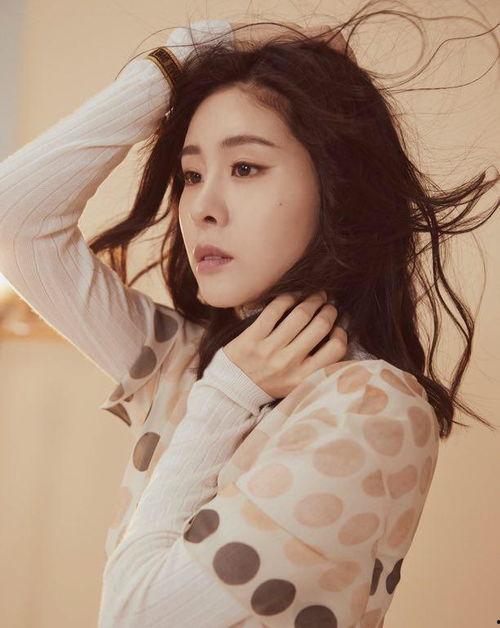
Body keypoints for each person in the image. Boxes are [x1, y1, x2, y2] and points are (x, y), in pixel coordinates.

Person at [0, 9, 496, 627]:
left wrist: (227, 396)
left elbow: (137, 619)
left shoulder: (373, 406)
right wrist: (188, 54)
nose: (201, 208)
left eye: (245, 168)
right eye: (191, 174)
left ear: (337, 186)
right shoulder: (185, 363)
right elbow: (15, 222)